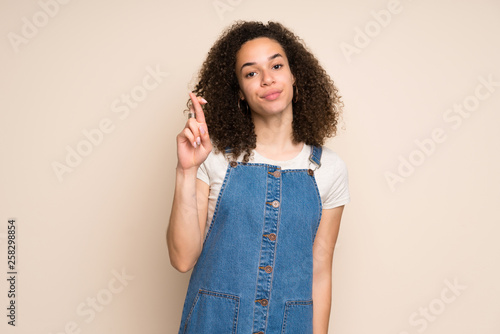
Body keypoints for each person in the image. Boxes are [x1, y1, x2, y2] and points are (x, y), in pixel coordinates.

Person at [167, 21, 350, 334]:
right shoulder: (211, 159)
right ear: (240, 92)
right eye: (251, 73)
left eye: (277, 65)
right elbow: (183, 259)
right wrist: (186, 170)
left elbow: (320, 272)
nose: (268, 79)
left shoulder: (329, 169)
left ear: (295, 75)